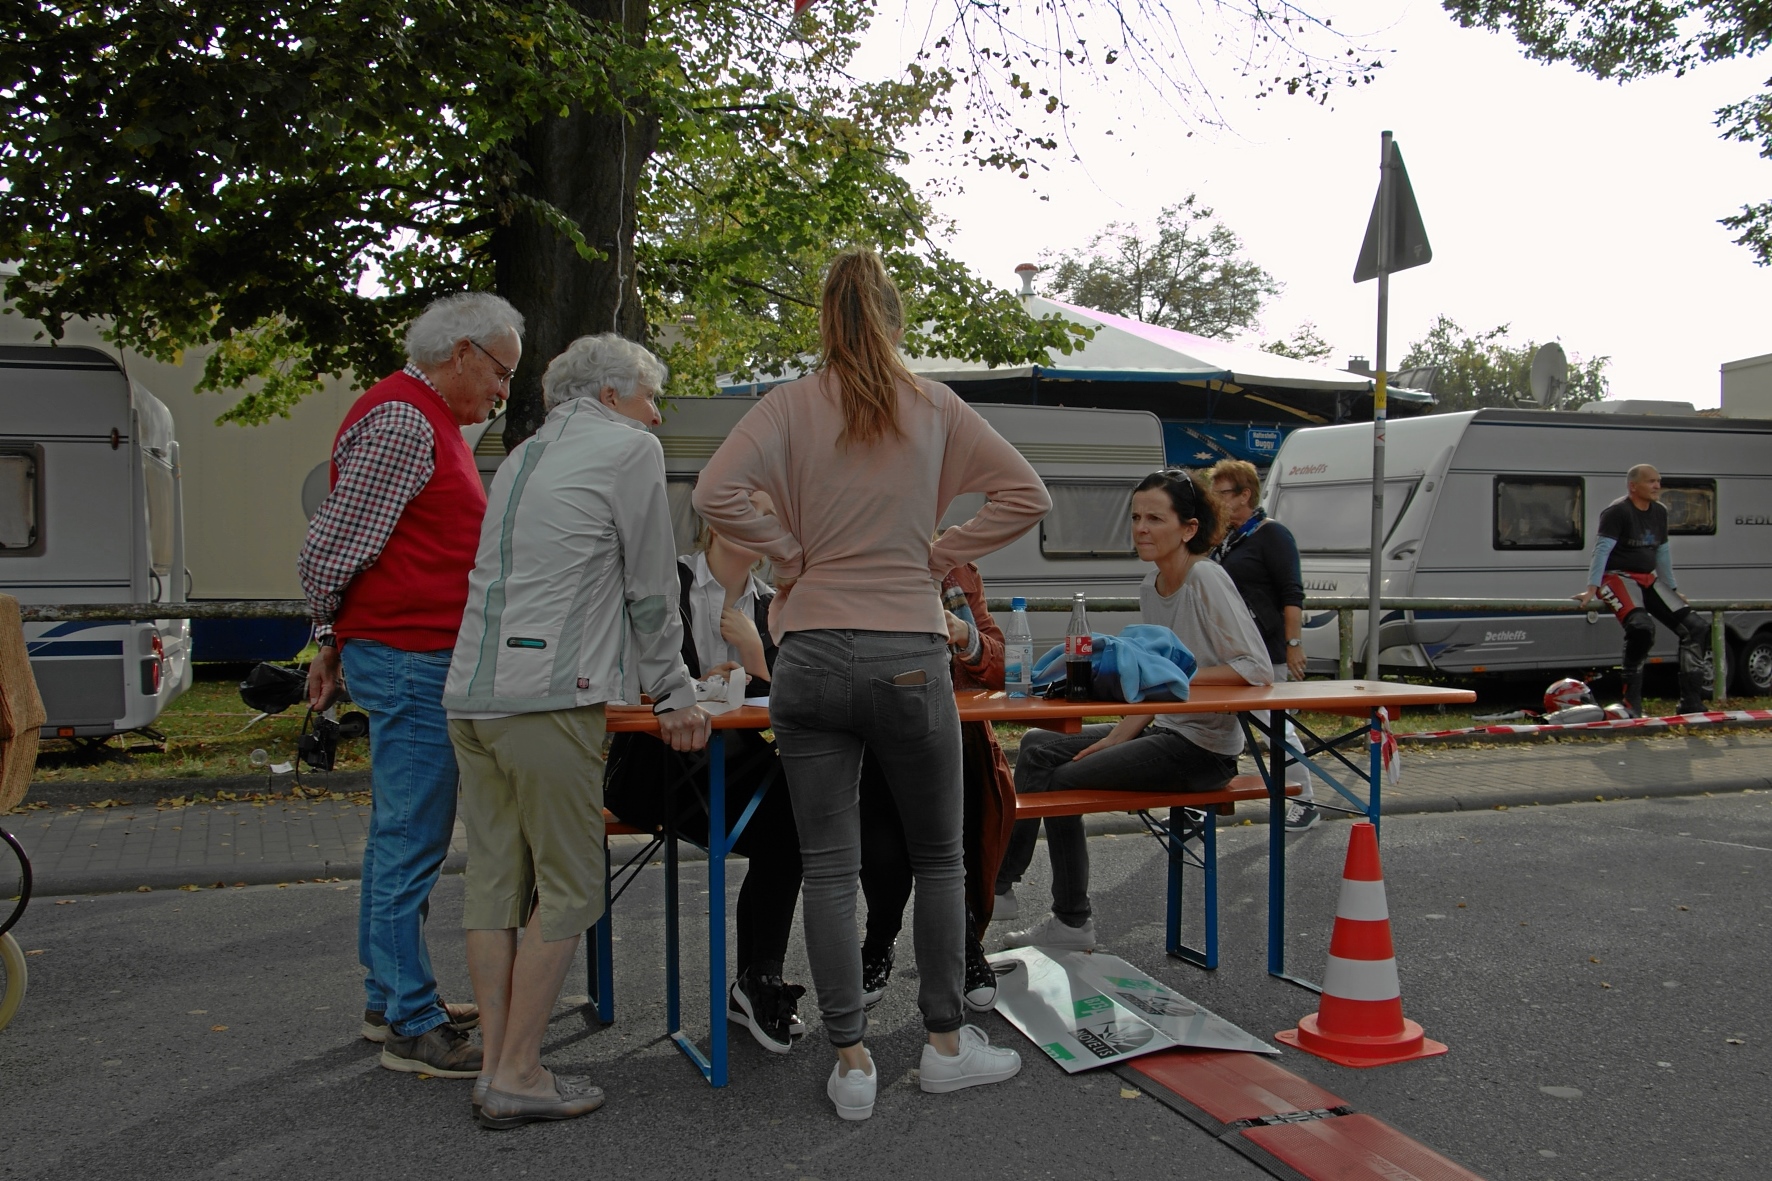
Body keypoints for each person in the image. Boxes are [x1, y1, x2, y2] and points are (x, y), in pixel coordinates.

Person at [694, 248, 1050, 1122]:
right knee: (939, 858)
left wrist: (787, 551)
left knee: (827, 866)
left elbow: (714, 491)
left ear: (824, 317)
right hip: (906, 651)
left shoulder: (786, 406)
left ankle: (850, 1060)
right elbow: (1027, 494)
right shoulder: (934, 405)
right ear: (893, 317)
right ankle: (944, 1046)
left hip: (808, 652)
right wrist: (942, 551)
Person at [443, 333, 712, 1129]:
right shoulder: (627, 450)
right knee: (571, 884)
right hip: (549, 695)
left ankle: (496, 1065)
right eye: (650, 397)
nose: (657, 416)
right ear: (610, 395)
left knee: (495, 882)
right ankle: (520, 1072)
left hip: (473, 692)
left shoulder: (522, 454)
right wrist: (674, 691)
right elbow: (651, 586)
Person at [298, 291, 524, 1079]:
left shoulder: (422, 418)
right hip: (413, 652)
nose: (502, 391)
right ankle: (411, 1021)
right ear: (461, 353)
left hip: (405, 647)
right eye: (500, 373)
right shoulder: (405, 420)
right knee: (411, 839)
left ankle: (388, 997)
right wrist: (330, 632)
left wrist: (334, 639)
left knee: (399, 834)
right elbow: (328, 549)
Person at [996, 469, 1272, 951]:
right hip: (1165, 730)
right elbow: (1156, 684)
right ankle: (1003, 887)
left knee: (1059, 781)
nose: (1141, 528)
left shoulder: (1205, 577)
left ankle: (1067, 920)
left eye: (1155, 519)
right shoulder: (1152, 585)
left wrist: (1174, 680)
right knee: (1038, 743)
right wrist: (1119, 732)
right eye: (1136, 517)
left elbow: (1255, 668)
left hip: (1203, 751)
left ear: (1188, 528)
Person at [603, 501, 809, 1056]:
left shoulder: (772, 605)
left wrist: (755, 657)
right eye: (747, 510)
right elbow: (630, 675)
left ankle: (758, 980)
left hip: (734, 772)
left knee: (796, 815)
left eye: (770, 516)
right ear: (714, 519)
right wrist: (693, 687)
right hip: (656, 773)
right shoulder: (667, 583)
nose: (758, 524)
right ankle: (754, 983)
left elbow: (793, 700)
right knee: (789, 816)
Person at [857, 558, 1017, 1013]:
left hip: (952, 732)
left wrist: (965, 635)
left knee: (952, 822)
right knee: (886, 837)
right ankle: (881, 938)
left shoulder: (957, 572)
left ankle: (962, 943)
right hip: (878, 724)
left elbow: (1006, 666)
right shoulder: (860, 559)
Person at [1207, 459, 1317, 831]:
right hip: (1226, 651)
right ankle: (1201, 804)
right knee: (1214, 729)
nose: (1216, 501)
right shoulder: (1224, 540)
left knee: (1276, 729)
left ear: (1245, 495)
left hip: (1266, 650)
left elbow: (1292, 594)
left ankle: (1304, 801)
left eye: (1222, 494)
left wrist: (1293, 643)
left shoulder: (1272, 535)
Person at [1576, 463, 1707, 717]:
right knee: (1641, 629)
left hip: (1647, 578)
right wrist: (1592, 587)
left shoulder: (1660, 512)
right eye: (1651, 481)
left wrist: (1672, 589)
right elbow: (1601, 550)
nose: (1657, 486)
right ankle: (1631, 704)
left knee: (1696, 628)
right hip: (1617, 577)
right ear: (1633, 486)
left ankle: (1691, 702)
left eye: (1658, 481)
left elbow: (1663, 552)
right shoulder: (1617, 512)